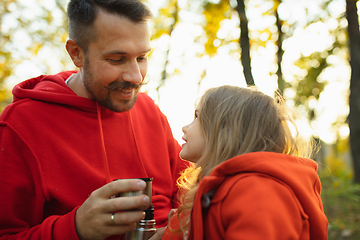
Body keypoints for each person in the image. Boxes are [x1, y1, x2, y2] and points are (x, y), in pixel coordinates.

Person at [0, 0, 188, 239]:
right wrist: (76, 228)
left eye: (141, 57)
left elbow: (190, 190)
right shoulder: (22, 124)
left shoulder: (149, 109)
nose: (135, 76)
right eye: (117, 59)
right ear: (76, 53)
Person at [162, 85, 329, 240]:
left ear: (226, 130)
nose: (185, 127)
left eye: (197, 117)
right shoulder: (218, 188)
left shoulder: (257, 190)